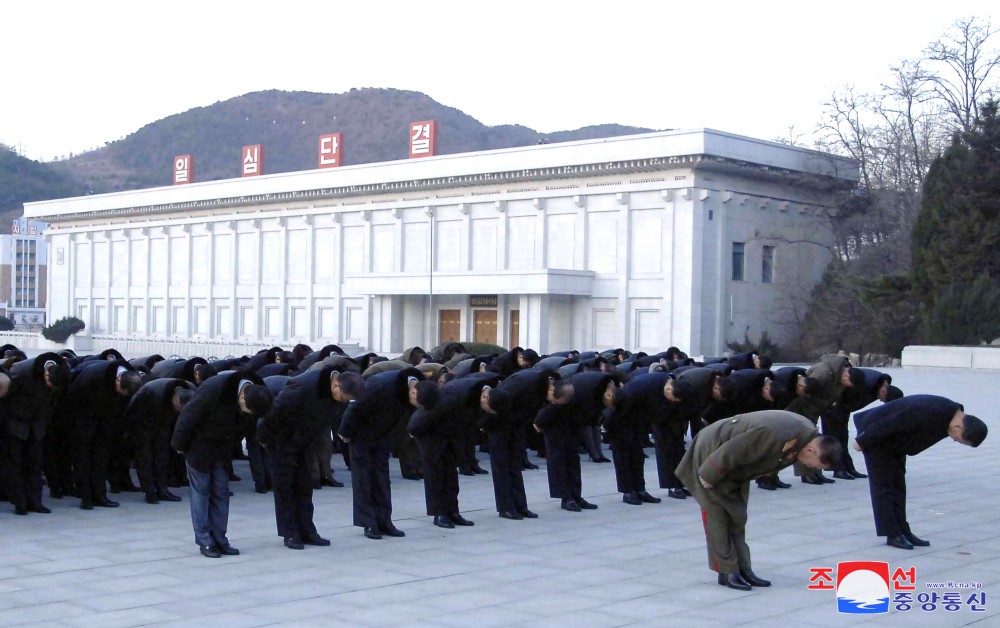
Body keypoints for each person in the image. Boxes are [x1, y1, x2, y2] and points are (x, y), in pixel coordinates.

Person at [675, 410, 842, 591]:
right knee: (718, 515)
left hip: (738, 464)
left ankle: (743, 568)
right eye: (812, 464)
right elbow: (732, 450)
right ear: (811, 450)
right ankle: (727, 571)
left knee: (737, 514)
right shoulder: (776, 433)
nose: (809, 467)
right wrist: (709, 474)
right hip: (713, 453)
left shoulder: (804, 436)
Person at [853, 395, 987, 550]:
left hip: (894, 443)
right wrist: (862, 441)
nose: (954, 440)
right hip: (875, 434)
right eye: (957, 439)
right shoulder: (935, 410)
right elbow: (892, 421)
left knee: (898, 485)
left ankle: (903, 530)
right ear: (959, 427)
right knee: (884, 487)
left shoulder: (951, 415)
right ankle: (892, 533)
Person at [171, 370, 274, 558]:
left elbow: (246, 426)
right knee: (201, 492)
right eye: (247, 410)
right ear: (242, 396)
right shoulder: (214, 388)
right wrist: (179, 444)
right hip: (199, 447)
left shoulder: (259, 394)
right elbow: (189, 415)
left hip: (222, 449)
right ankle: (205, 540)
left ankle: (220, 538)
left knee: (221, 492)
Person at [264, 367, 364, 549]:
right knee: (285, 488)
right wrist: (266, 440)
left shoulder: (338, 390)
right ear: (336, 385)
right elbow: (274, 412)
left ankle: (308, 530)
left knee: (305, 486)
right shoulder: (303, 386)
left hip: (306, 440)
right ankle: (290, 532)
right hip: (282, 440)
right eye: (343, 398)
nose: (343, 402)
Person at [339, 367, 437, 540]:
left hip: (385, 434)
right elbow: (356, 407)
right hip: (362, 433)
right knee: (363, 478)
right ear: (413, 392)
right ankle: (368, 522)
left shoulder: (423, 386)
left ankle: (385, 521)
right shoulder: (379, 385)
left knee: (382, 477)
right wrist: (344, 433)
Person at [3, 354, 71, 514]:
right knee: (16, 465)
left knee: (35, 466)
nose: (50, 388)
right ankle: (20, 503)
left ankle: (35, 502)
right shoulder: (22, 371)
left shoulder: (61, 374)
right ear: (45, 374)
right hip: (17, 424)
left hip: (38, 426)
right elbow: (8, 399)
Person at [124, 377, 195, 504]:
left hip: (163, 421)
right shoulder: (149, 393)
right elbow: (133, 413)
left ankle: (162, 489)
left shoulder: (190, 390)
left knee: (162, 454)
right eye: (179, 408)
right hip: (141, 422)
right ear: (175, 399)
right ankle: (149, 491)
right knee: (144, 456)